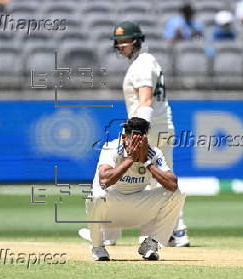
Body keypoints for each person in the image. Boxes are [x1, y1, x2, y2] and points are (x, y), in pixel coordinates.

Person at [79, 20, 190, 248]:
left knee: (127, 181)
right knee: (158, 182)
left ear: (137, 40)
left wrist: (138, 134)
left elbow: (146, 102)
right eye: (117, 42)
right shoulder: (147, 61)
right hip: (160, 128)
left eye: (124, 41)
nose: (120, 46)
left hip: (151, 129)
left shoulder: (141, 64)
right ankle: (176, 233)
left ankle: (109, 234)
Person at [87, 117, 185, 261]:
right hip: (110, 211)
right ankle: (97, 247)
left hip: (138, 208)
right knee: (96, 196)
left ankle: (151, 244)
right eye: (133, 140)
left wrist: (147, 162)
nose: (137, 144)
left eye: (141, 140)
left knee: (177, 193)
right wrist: (130, 160)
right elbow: (104, 181)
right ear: (123, 136)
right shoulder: (111, 147)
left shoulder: (153, 153)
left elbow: (172, 184)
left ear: (145, 138)